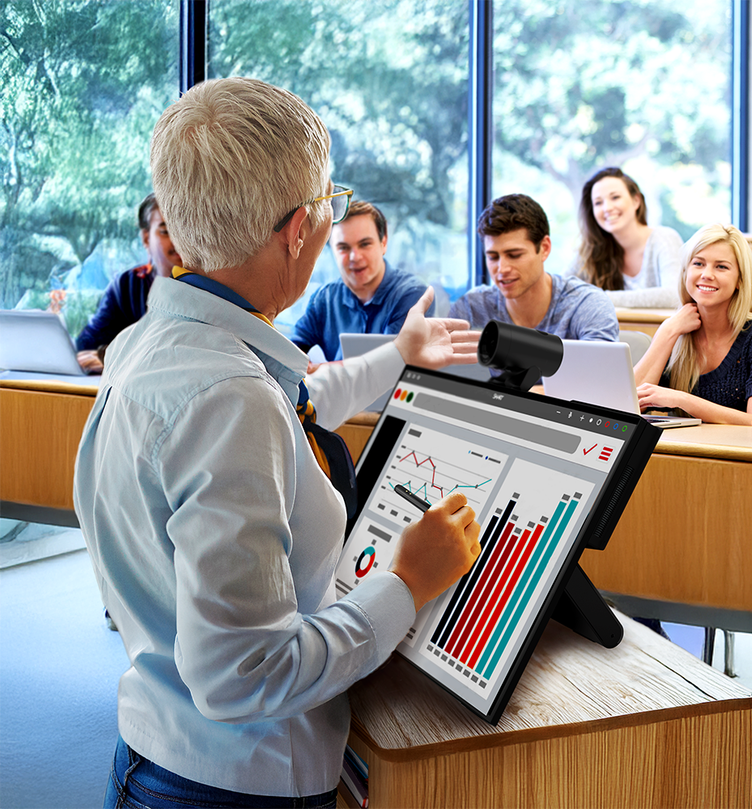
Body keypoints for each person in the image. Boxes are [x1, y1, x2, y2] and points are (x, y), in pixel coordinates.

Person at [74, 77, 483, 808]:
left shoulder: (151, 344)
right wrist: (409, 582)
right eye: (330, 204)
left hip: (154, 752)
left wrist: (400, 352)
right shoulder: (231, 400)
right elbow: (246, 673)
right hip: (236, 783)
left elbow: (296, 405)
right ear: (298, 229)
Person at [632, 224, 752, 425]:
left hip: (742, 454)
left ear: (740, 280)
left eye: (721, 266)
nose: (707, 274)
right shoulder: (676, 332)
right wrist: (667, 332)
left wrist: (682, 400)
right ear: (685, 272)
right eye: (698, 264)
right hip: (686, 453)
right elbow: (627, 406)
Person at [451, 193, 619, 341]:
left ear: (544, 248)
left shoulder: (586, 305)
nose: (501, 269)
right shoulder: (472, 308)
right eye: (493, 257)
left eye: (514, 255)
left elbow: (599, 375)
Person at [291, 200, 431, 361]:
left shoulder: (414, 296)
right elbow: (290, 352)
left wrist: (318, 372)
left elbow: (388, 366)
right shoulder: (325, 298)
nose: (355, 257)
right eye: (343, 247)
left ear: (383, 243)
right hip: (338, 385)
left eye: (364, 244)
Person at [75, 193, 180, 373]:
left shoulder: (212, 285)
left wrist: (116, 359)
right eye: (166, 231)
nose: (179, 240)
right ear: (146, 238)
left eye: (186, 231)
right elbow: (88, 345)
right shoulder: (127, 285)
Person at [575, 167, 684, 307]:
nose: (607, 208)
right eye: (598, 203)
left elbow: (675, 295)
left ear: (636, 201)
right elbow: (562, 290)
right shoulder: (591, 249)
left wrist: (597, 297)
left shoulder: (664, 239)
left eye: (615, 197)